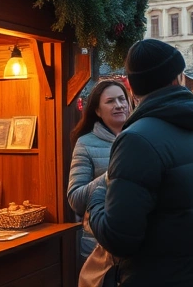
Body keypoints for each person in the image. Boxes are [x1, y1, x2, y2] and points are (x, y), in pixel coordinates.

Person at [87, 39, 193, 286]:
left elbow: (119, 239)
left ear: (131, 87)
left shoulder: (136, 140)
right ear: (178, 79)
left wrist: (97, 197)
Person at [67, 80, 131, 263]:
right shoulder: (86, 143)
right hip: (99, 247)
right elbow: (76, 199)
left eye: (122, 99)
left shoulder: (142, 137)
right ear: (97, 110)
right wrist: (114, 172)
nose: (118, 105)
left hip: (138, 243)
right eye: (110, 101)